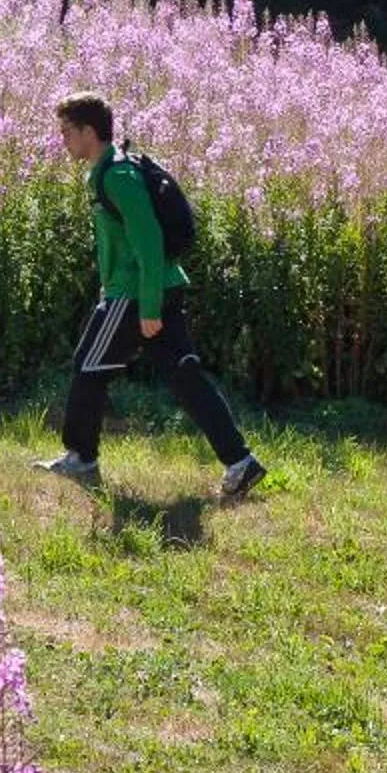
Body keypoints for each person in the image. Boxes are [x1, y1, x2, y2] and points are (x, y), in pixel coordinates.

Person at [34, 93, 265, 498]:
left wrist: (150, 305)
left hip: (136, 294)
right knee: (185, 378)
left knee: (88, 366)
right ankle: (240, 463)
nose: (62, 140)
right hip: (153, 288)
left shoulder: (117, 176)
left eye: (67, 132)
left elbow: (148, 241)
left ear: (90, 131)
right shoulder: (110, 170)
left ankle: (81, 459)